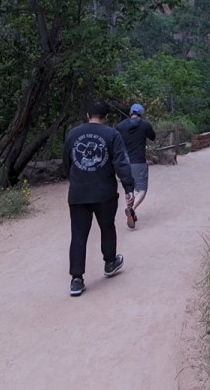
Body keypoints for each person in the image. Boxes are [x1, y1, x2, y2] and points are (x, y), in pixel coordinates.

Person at [62, 100, 135, 297]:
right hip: (105, 193)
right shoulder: (112, 134)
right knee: (107, 227)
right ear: (106, 117)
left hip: (78, 194)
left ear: (88, 115)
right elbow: (121, 162)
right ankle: (110, 262)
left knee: (78, 235)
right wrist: (128, 187)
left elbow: (66, 162)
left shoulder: (73, 134)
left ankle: (76, 279)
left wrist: (75, 180)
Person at [115, 102, 156, 229]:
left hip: (123, 162)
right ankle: (131, 208)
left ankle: (131, 211)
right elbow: (153, 137)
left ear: (130, 112)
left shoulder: (120, 126)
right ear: (141, 113)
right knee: (142, 189)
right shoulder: (145, 125)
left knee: (129, 189)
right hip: (139, 161)